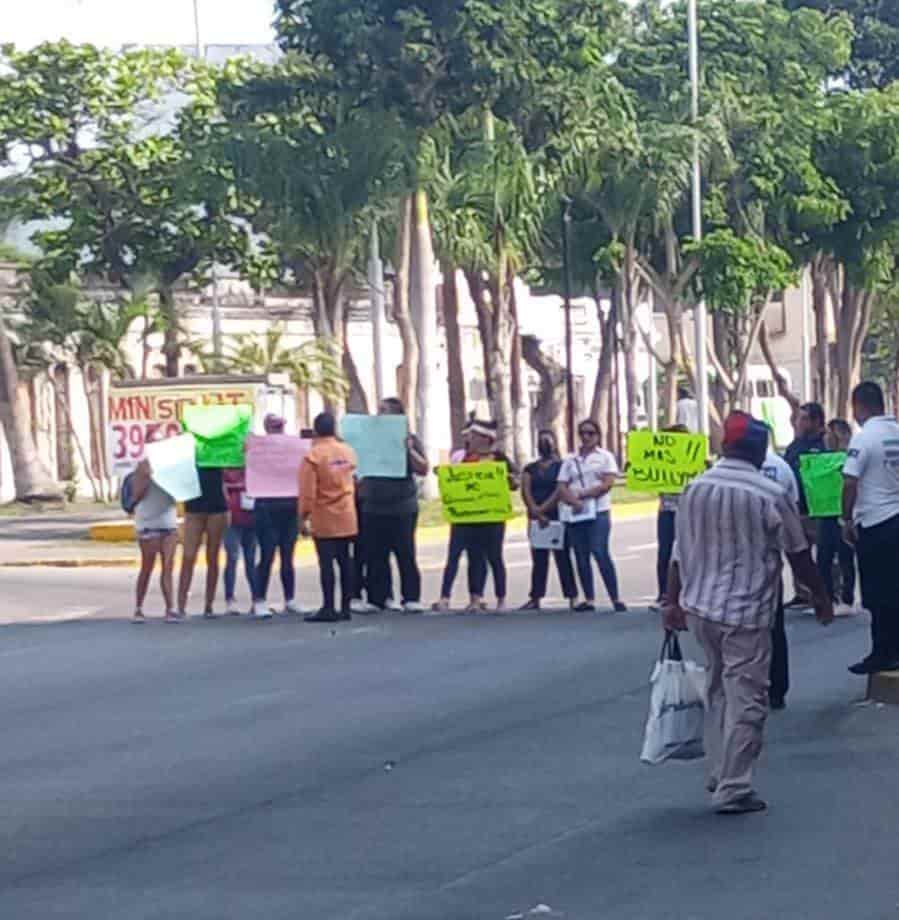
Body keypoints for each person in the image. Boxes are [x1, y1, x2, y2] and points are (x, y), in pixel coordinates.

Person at [664, 411, 832, 815]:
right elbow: (797, 552)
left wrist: (671, 601)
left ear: (725, 447)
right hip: (746, 610)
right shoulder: (766, 492)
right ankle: (734, 786)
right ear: (758, 450)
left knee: (720, 688)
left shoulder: (695, 488)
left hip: (701, 607)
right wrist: (821, 595)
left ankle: (719, 769)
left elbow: (677, 552)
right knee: (748, 697)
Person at [842, 382, 899, 675]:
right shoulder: (896, 432)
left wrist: (846, 520)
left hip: (875, 522)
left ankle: (882, 652)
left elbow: (850, 482)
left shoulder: (864, 438)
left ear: (860, 406)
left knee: (877, 593)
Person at [358, 397, 429, 613]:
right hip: (373, 504)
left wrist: (407, 449)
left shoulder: (410, 439)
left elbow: (423, 468)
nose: (379, 414)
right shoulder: (369, 439)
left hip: (402, 505)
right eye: (378, 410)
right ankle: (379, 597)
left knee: (405, 552)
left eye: (384, 410)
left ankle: (411, 597)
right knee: (375, 555)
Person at [558, 419, 626, 613]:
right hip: (576, 513)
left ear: (598, 435)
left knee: (600, 552)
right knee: (580, 555)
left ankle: (615, 597)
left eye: (590, 433)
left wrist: (584, 495)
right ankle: (589, 598)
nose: (586, 437)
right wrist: (574, 501)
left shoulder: (605, 457)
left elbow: (607, 484)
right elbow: (561, 485)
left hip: (598, 511)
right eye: (583, 433)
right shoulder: (571, 460)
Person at [300, 412, 358, 623]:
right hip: (347, 513)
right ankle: (345, 607)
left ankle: (328, 607)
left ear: (315, 430)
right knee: (346, 562)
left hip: (324, 515)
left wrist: (303, 517)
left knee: (326, 563)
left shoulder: (313, 456)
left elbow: (308, 492)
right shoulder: (348, 452)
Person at [458, 419, 519, 612]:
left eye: (474, 436)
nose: (470, 439)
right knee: (474, 557)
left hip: (494, 515)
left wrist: (509, 480)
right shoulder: (467, 458)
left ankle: (501, 598)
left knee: (495, 556)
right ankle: (475, 597)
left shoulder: (499, 458)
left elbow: (516, 481)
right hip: (472, 515)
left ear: (485, 439)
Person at [760, 440, 800, 711]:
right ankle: (776, 689)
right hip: (768, 565)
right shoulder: (780, 468)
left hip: (727, 579)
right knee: (773, 628)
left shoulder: (713, 479)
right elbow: (793, 506)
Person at [253, 414, 304, 618]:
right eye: (275, 426)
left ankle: (290, 598)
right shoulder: (258, 448)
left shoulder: (292, 447)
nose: (278, 429)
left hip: (289, 504)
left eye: (280, 426)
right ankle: (259, 600)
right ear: (267, 428)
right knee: (267, 555)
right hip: (266, 504)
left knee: (287, 555)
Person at [520, 429, 577, 610]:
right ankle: (535, 596)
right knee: (538, 559)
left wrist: (543, 509)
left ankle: (572, 596)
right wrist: (535, 511)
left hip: (557, 516)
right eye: (542, 441)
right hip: (536, 517)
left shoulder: (562, 466)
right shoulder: (530, 469)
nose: (545, 444)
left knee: (563, 558)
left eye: (548, 441)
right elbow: (525, 490)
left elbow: (560, 490)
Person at [783, 401, 827, 606]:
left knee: (827, 552)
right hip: (798, 508)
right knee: (798, 550)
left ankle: (829, 592)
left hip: (821, 509)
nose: (798, 423)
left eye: (803, 419)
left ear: (815, 421)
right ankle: (803, 593)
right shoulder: (794, 446)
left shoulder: (826, 444)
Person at [130, 459, 179, 624]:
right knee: (147, 566)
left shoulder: (173, 465)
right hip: (148, 523)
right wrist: (148, 477)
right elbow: (136, 495)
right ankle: (138, 608)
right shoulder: (142, 467)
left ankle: (170, 608)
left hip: (168, 522)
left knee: (167, 566)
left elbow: (179, 493)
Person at [177, 463, 228, 619]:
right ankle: (180, 606)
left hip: (216, 505)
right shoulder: (191, 446)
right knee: (188, 556)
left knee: (212, 557)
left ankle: (209, 605)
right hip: (194, 506)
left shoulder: (219, 446)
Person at [817, 418, 857, 614]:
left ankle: (846, 598)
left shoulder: (851, 456)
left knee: (845, 556)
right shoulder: (822, 458)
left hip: (842, 512)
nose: (826, 438)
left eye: (829, 434)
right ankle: (827, 597)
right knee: (824, 555)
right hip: (825, 512)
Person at [433, 424, 473, 612]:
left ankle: (476, 597)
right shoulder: (458, 456)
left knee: (477, 558)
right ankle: (445, 597)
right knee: (453, 557)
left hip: (483, 515)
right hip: (460, 514)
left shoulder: (493, 458)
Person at [651, 425, 688, 613]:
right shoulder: (662, 461)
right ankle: (664, 594)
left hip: (687, 511)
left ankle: (686, 594)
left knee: (688, 552)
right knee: (664, 552)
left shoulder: (693, 460)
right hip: (666, 510)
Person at [222, 467, 258, 615]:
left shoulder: (252, 466)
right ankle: (230, 599)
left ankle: (257, 599)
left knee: (251, 560)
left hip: (251, 517)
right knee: (232, 557)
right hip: (232, 519)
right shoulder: (224, 467)